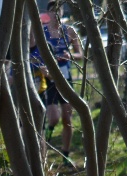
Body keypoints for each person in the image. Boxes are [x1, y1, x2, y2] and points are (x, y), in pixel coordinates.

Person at [40, 3, 82, 158]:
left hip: (65, 78)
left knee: (67, 118)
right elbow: (34, 53)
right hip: (48, 79)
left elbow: (80, 55)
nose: (56, 14)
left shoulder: (69, 31)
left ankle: (65, 154)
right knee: (53, 118)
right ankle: (48, 138)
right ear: (48, 13)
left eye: (59, 11)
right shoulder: (42, 32)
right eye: (53, 11)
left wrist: (70, 56)